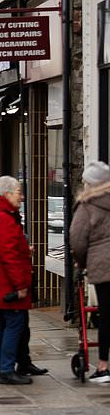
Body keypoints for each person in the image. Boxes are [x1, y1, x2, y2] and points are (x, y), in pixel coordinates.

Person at [0, 176, 34, 385]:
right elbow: (8, 254)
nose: (21, 196)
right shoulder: (3, 218)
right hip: (5, 279)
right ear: (7, 194)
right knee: (14, 323)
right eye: (18, 191)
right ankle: (6, 369)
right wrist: (20, 285)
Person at [72, 161, 110, 383]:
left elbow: (77, 240)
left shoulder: (87, 205)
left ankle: (103, 366)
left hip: (103, 267)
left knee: (105, 314)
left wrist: (81, 262)